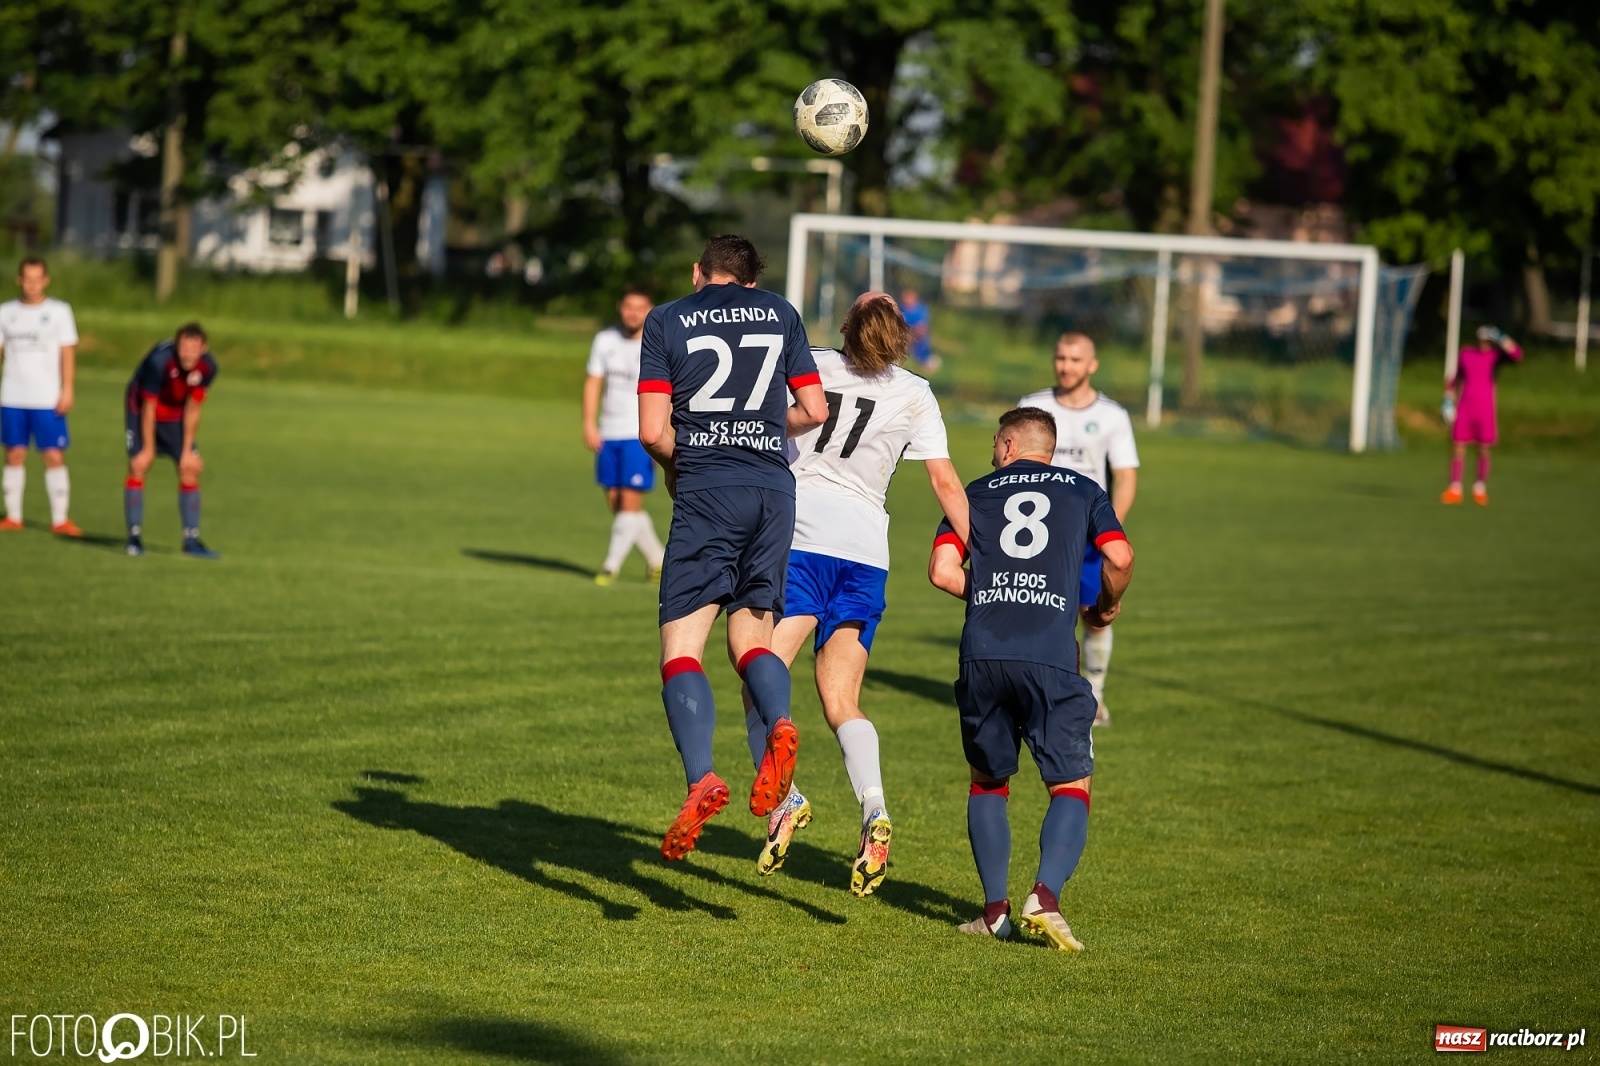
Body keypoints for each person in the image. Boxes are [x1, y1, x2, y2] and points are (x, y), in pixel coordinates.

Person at [743, 291, 970, 896]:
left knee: (759, 675)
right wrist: (985, 558)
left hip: (801, 540)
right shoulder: (916, 393)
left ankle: (785, 800)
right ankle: (874, 809)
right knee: (841, 699)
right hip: (867, 554)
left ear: (846, 324)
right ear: (901, 335)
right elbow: (945, 482)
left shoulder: (809, 360)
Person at [636, 235, 829, 861]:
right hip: (774, 490)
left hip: (708, 492)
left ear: (699, 272)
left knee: (681, 647)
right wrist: (763, 426)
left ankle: (702, 778)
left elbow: (652, 431)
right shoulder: (780, 313)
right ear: (750, 281)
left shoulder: (667, 318)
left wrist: (684, 457)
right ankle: (778, 723)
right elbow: (814, 408)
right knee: (751, 639)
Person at [928, 407, 1134, 950]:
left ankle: (994, 910)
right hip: (1049, 653)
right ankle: (1044, 897)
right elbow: (1120, 555)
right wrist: (1103, 606)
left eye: (997, 443)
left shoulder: (975, 492)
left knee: (987, 779)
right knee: (1069, 783)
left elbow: (941, 572)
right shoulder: (1083, 489)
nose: (993, 452)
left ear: (1011, 445)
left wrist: (995, 594)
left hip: (983, 652)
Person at [1018, 332, 1138, 726]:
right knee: (1037, 612)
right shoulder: (1032, 406)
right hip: (1038, 533)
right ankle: (1036, 694)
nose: (1066, 366)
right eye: (1060, 357)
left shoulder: (1112, 416)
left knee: (1096, 616)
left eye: (1075, 359)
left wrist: (1109, 532)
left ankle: (1095, 695)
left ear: (1092, 365)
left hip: (1087, 535)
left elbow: (1125, 477)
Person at [582, 284, 667, 584]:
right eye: (629, 306)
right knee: (617, 504)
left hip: (639, 432)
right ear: (621, 307)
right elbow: (593, 382)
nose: (633, 313)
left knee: (629, 506)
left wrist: (662, 435)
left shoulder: (657, 343)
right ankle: (658, 559)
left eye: (640, 307)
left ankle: (610, 566)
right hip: (609, 432)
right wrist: (589, 424)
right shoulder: (604, 340)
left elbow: (670, 392)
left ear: (649, 310)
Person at [124, 323, 219, 559]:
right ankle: (134, 538)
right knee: (139, 466)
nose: (187, 354)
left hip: (175, 415)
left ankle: (191, 541)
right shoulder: (159, 362)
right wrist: (147, 449)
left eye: (193, 349)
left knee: (189, 469)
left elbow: (194, 407)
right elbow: (149, 406)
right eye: (183, 348)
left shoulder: (208, 367)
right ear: (177, 347)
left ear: (203, 349)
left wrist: (188, 450)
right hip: (141, 410)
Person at [0, 257, 80, 535]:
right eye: (27, 278)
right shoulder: (5, 312)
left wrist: (67, 388)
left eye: (37, 279)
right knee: (14, 454)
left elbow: (67, 352)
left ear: (46, 280)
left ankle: (60, 519)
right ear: (19, 280)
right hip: (12, 396)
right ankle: (13, 516)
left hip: (47, 397)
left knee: (54, 456)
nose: (32, 284)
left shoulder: (59, 311)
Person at [1441, 326, 1521, 506]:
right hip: (1465, 407)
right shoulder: (1467, 354)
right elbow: (1455, 379)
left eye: (1488, 341)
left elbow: (1517, 355)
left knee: (1483, 448)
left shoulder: (1496, 356)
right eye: (1482, 340)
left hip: (1486, 409)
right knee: (1458, 446)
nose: (1484, 343)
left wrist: (1502, 337)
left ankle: (1479, 488)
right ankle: (1455, 488)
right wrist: (1447, 399)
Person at [900, 288, 940, 373]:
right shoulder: (901, 308)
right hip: (905, 334)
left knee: (920, 336)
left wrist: (912, 333)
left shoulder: (921, 309)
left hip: (917, 335)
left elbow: (922, 326)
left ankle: (923, 360)